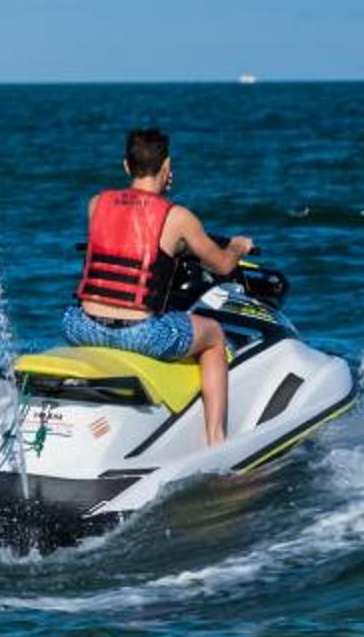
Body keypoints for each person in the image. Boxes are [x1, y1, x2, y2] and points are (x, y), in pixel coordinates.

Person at [63, 126, 255, 444]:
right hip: (138, 335)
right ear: (166, 166)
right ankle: (216, 438)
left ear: (127, 165)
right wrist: (237, 246)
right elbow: (222, 265)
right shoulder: (178, 217)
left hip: (82, 327)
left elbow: (128, 237)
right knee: (214, 335)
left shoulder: (96, 203)